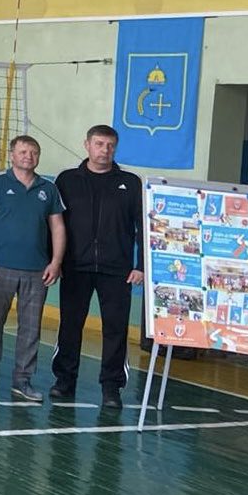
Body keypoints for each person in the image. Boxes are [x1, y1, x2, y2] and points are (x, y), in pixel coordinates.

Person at [49, 125, 144, 409]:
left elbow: (144, 227)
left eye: (110, 145)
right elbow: (54, 223)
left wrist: (141, 265)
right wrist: (54, 260)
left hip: (118, 270)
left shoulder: (131, 183)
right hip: (75, 267)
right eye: (99, 144)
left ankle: (111, 387)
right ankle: (64, 380)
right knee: (70, 325)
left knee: (115, 329)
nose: (105, 150)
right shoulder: (67, 180)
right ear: (87, 145)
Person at [0, 136, 65, 402]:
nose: (28, 156)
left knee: (31, 329)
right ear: (12, 155)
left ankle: (22, 381)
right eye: (23, 151)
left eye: (34, 152)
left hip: (37, 271)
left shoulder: (49, 189)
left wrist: (56, 262)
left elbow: (58, 227)